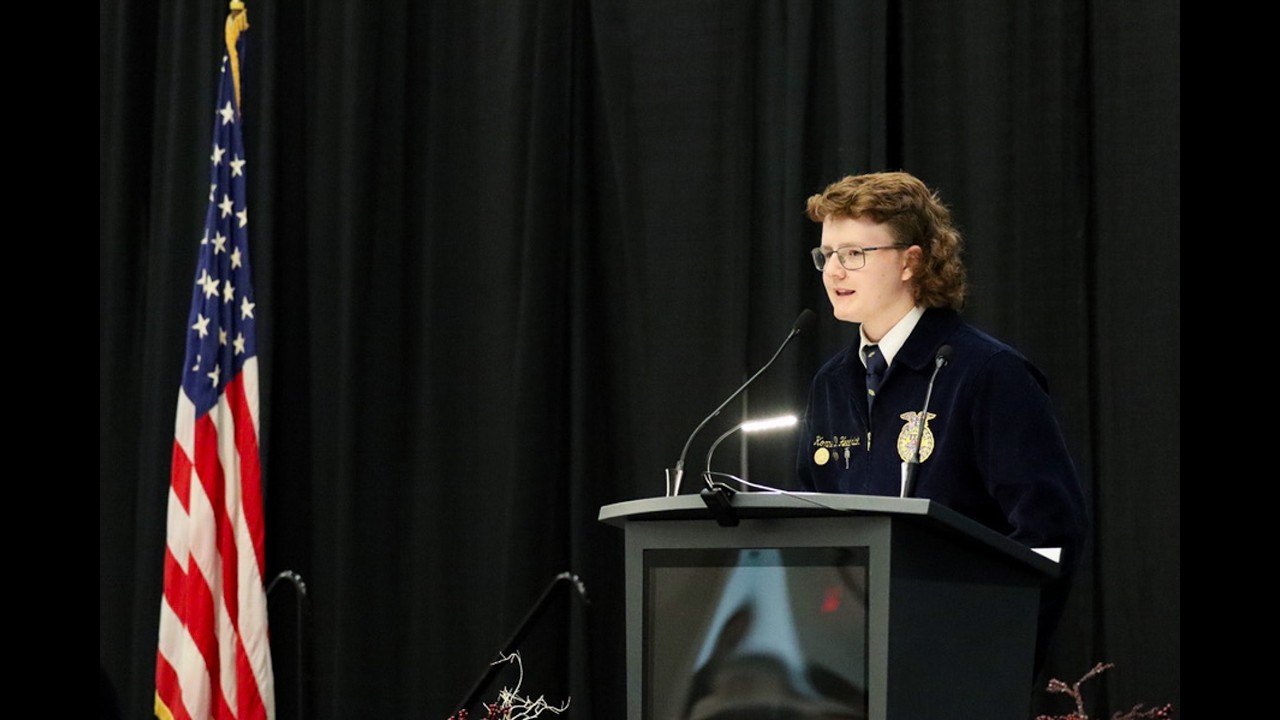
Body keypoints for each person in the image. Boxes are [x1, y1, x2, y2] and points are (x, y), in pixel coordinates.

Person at [795, 170, 1089, 674]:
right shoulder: (833, 381)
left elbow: (1050, 528)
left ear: (910, 261)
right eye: (827, 255)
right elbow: (813, 526)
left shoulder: (986, 372)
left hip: (961, 661)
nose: (834, 271)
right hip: (851, 666)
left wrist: (998, 651)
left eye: (854, 254)